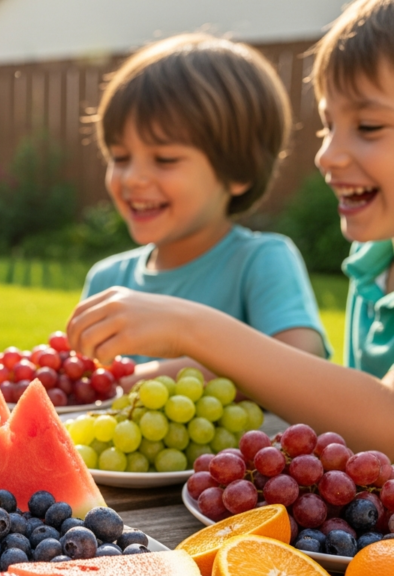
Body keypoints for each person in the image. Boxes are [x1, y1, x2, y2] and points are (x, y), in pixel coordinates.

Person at [68, 0, 394, 457]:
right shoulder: (372, 270)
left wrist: (187, 329)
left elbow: (381, 419)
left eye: (370, 125)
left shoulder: (263, 258)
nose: (326, 155)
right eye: (326, 126)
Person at [81, 33, 329, 385]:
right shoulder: (107, 281)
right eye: (119, 158)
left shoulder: (260, 262)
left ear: (238, 171)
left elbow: (301, 359)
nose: (133, 178)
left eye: (165, 159)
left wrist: (134, 381)